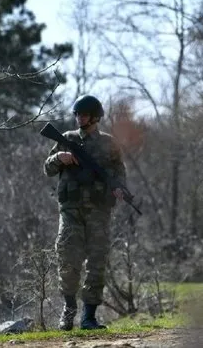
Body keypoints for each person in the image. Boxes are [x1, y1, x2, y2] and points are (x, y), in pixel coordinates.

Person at [43, 95, 127, 331]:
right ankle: (68, 312)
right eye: (77, 114)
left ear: (96, 117)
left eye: (84, 114)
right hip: (70, 212)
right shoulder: (67, 139)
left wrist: (120, 190)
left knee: (97, 263)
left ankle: (89, 317)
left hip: (99, 212)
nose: (80, 118)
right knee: (68, 260)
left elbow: (120, 174)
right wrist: (58, 157)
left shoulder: (110, 144)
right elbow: (47, 169)